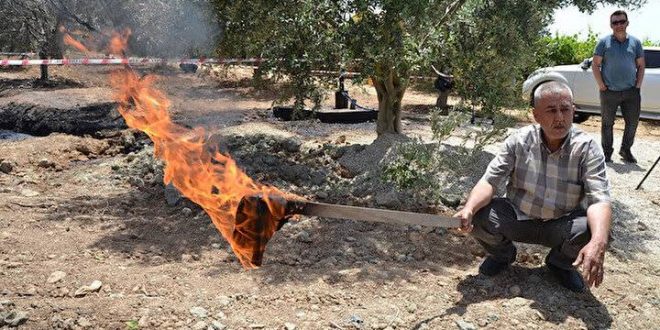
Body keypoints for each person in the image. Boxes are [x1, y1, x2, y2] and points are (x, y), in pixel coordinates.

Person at [454, 81, 612, 293]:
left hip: (561, 224)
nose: (559, 117)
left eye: (565, 109)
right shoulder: (519, 141)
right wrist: (469, 208)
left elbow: (599, 199)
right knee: (481, 216)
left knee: (595, 230)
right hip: (518, 218)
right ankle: (502, 256)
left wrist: (598, 242)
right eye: (551, 110)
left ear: (573, 111)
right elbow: (490, 180)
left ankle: (560, 264)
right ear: (536, 115)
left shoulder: (587, 147)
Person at [592, 10, 645, 163]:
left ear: (627, 23)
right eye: (615, 22)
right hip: (609, 92)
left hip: (631, 92)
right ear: (611, 25)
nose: (619, 25)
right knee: (607, 123)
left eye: (622, 21)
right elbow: (595, 64)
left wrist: (637, 86)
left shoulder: (635, 42)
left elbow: (641, 65)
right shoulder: (604, 42)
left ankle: (626, 150)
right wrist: (601, 85)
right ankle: (607, 153)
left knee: (632, 122)